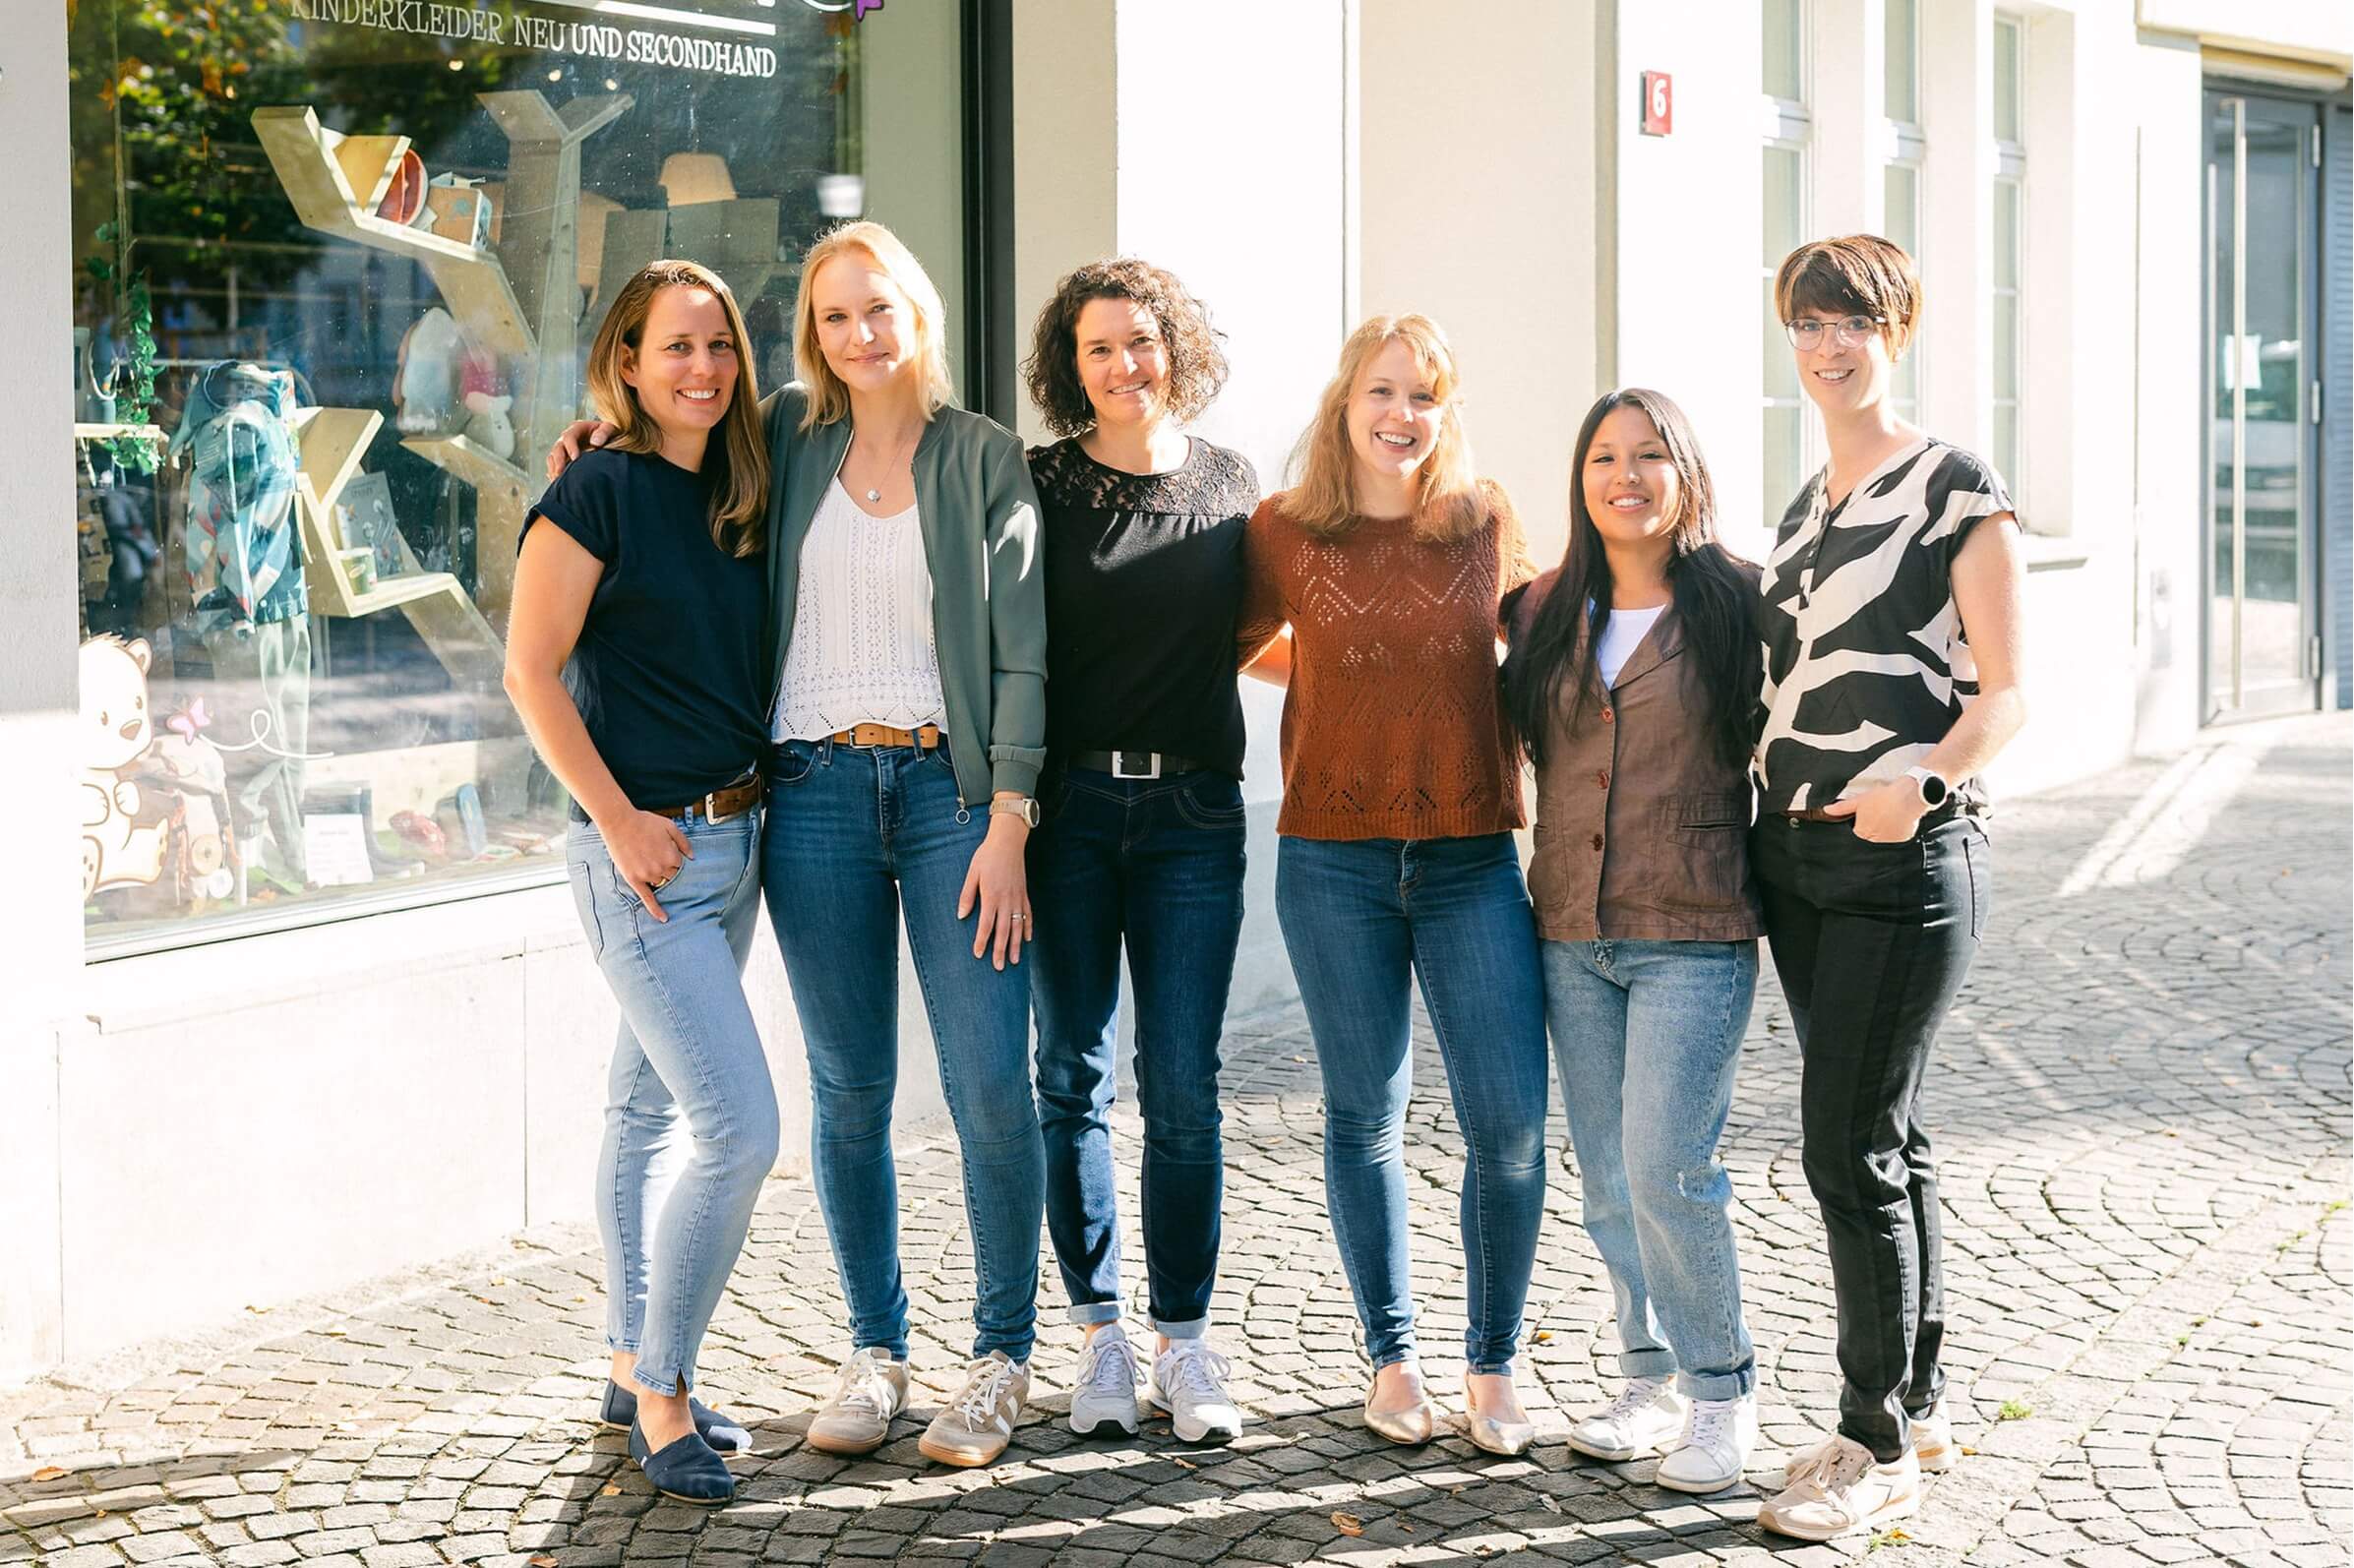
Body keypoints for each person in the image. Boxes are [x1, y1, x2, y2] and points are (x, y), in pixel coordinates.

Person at [1748, 235, 2028, 1542]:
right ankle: (1914, 1403)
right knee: (1888, 1136)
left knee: (1843, 1145)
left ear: (1894, 331)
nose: (1827, 344)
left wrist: (1919, 782)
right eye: (1807, 322)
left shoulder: (1953, 484)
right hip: (1794, 860)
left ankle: (1870, 1444)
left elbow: (2004, 693)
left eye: (1850, 321)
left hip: (1899, 862)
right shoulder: (1803, 506)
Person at [758, 221, 1050, 1470]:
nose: (858, 334)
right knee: (847, 1091)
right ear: (812, 333)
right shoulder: (783, 437)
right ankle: (876, 1349)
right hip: (812, 793)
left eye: (877, 308)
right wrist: (589, 440)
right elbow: (669, 449)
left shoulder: (982, 457)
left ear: (917, 314)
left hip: (949, 799)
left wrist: (1008, 816)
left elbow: (1023, 651)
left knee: (988, 1083)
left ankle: (999, 1357)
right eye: (834, 315)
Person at [1237, 314, 1548, 1456]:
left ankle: (1493, 1361)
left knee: (1508, 1123)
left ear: (1444, 410)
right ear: (1343, 401)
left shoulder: (1483, 521)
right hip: (1332, 859)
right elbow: (1238, 641)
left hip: (1470, 858)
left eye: (1423, 394)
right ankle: (1391, 1355)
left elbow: (1543, 650)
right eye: (1381, 390)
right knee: (1363, 1113)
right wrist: (1331, 665)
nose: (1400, 414)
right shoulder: (1283, 529)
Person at [505, 260, 775, 1507]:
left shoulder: (743, 486)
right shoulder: (592, 490)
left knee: (643, 1109)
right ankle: (664, 1392)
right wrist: (617, 821)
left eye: (718, 346)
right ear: (625, 359)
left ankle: (627, 1362)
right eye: (675, 346)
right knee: (740, 1129)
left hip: (737, 845)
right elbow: (529, 672)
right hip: (644, 862)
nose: (701, 369)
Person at [1500, 389, 1765, 1493]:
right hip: (1569, 929)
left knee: (1668, 1168)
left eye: (1648, 454)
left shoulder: (1743, 602)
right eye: (1604, 457)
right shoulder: (1539, 608)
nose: (1625, 475)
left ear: (1683, 471)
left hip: (1692, 929)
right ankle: (1645, 1379)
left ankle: (1721, 1393)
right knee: (1609, 1179)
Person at [1019, 258, 1260, 1443]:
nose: (1124, 365)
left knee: (1182, 1084)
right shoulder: (1038, 483)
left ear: (1177, 345)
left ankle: (1184, 1342)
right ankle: (1098, 1337)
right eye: (1098, 348)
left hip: (1193, 819)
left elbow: (1255, 629)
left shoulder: (1231, 484)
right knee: (1070, 1074)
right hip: (1066, 813)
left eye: (1141, 340)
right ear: (1071, 366)